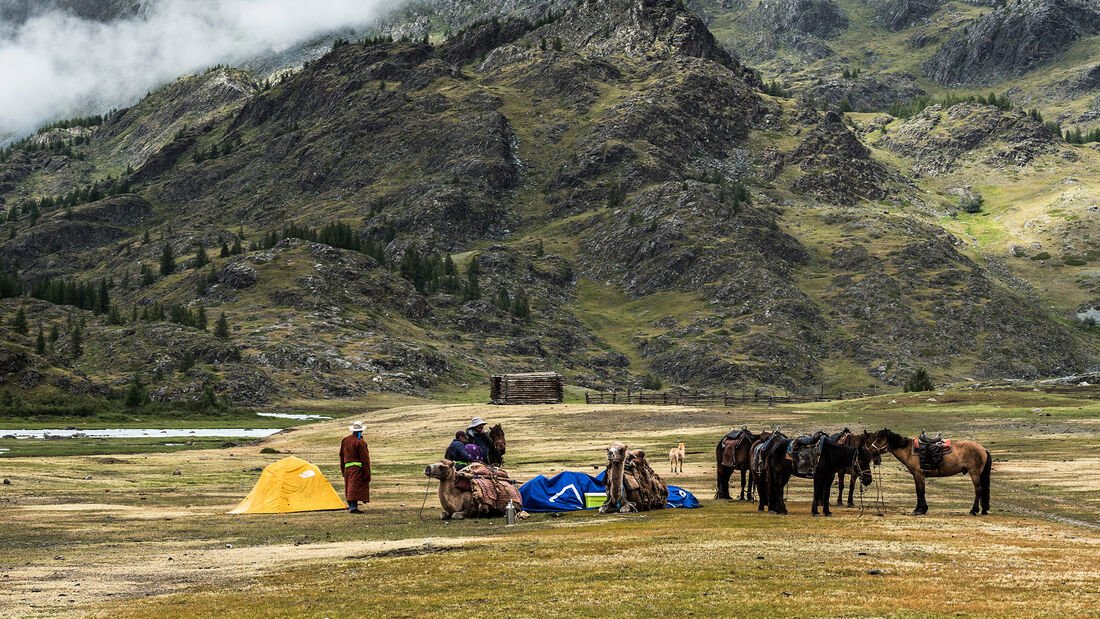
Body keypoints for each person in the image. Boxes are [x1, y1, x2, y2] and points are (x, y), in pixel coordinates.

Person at [340, 421, 371, 514]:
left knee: (349, 486)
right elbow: (365, 459)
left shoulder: (345, 440)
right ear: (361, 430)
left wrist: (343, 469)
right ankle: (353, 507)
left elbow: (341, 455)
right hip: (357, 469)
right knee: (355, 487)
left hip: (347, 468)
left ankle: (351, 505)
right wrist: (367, 473)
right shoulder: (361, 442)